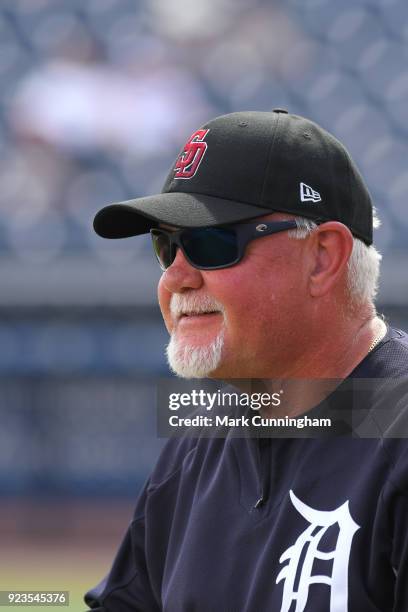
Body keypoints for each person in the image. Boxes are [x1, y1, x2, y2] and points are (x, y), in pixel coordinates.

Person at [84, 110, 408, 611]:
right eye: (166, 246)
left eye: (211, 242)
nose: (177, 277)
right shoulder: (199, 438)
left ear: (323, 256)